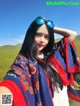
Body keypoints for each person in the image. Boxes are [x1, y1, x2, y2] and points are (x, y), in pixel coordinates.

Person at [0, 16, 80, 106]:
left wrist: (50, 28)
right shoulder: (24, 60)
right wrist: (4, 101)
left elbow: (72, 34)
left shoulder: (54, 52)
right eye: (38, 35)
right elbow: (11, 82)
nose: (42, 40)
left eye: (46, 37)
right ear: (31, 35)